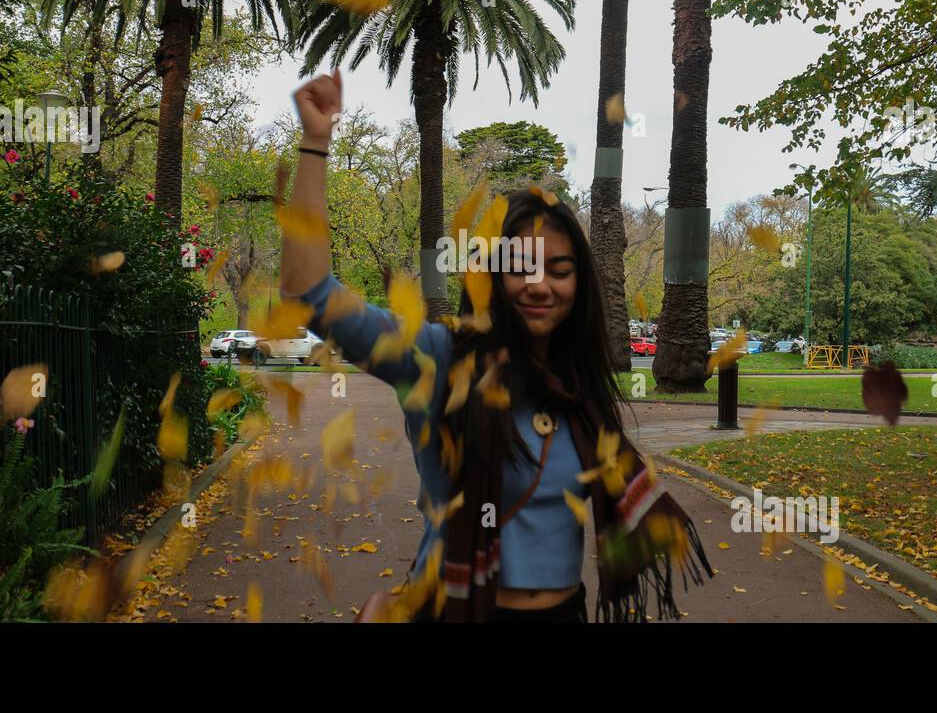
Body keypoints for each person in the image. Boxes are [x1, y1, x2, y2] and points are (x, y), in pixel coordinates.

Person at [279, 70, 712, 623]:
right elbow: (310, 292)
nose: (540, 284)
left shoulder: (578, 389)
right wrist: (315, 142)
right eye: (522, 266)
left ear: (579, 287)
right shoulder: (440, 358)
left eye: (559, 269)